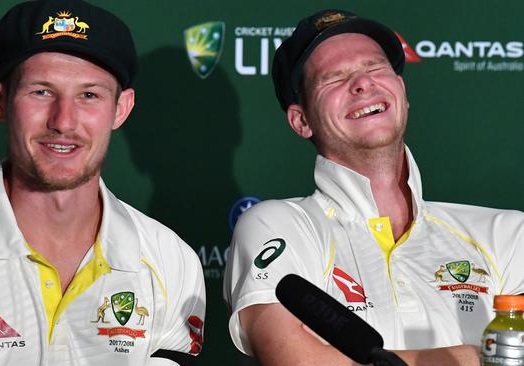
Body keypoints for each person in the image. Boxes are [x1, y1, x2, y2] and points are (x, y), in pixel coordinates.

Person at [0, 1, 205, 365]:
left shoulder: (171, 261)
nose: (63, 121)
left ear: (121, 109)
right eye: (41, 92)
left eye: (89, 95)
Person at [223, 9, 524, 366]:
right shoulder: (278, 225)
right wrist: (478, 357)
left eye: (376, 67)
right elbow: (296, 360)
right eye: (334, 78)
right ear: (302, 121)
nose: (363, 83)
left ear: (403, 93)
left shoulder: (507, 234)